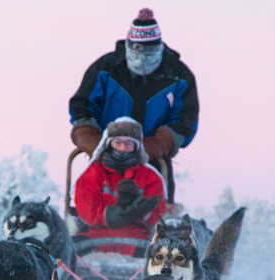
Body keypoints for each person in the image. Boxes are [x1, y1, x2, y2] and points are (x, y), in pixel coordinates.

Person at [69, 7, 199, 166]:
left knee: (156, 190)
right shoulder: (106, 69)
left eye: (149, 54)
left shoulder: (179, 77)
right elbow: (82, 106)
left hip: (153, 160)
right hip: (104, 158)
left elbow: (186, 121)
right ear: (128, 47)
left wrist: (159, 143)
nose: (141, 59)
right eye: (136, 52)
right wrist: (88, 137)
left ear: (159, 49)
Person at [74, 117, 165, 257]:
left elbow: (158, 214)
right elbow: (86, 209)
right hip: (95, 236)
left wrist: (140, 212)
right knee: (66, 252)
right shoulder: (93, 173)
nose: (123, 148)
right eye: (118, 142)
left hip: (138, 238)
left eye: (129, 143)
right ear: (108, 144)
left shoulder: (150, 176)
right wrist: (115, 215)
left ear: (137, 146)